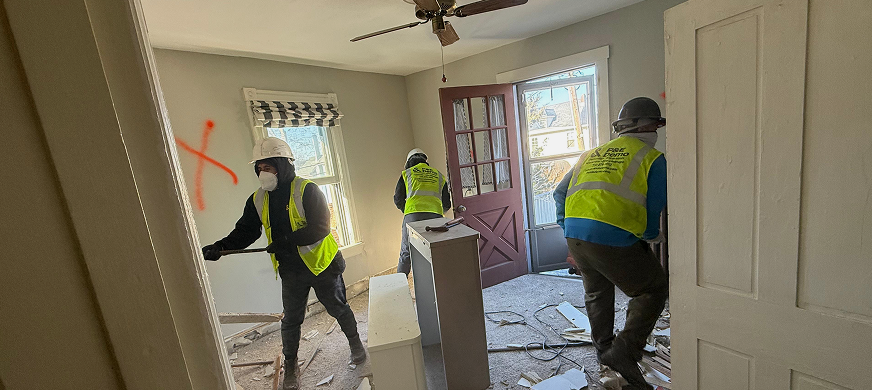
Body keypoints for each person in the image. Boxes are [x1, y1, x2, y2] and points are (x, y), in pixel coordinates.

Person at [201, 137, 366, 390]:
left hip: (322, 265)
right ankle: (290, 366)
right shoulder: (258, 199)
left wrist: (287, 241)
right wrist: (221, 247)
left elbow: (321, 227)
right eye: (259, 168)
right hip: (291, 270)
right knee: (291, 320)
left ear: (283, 165)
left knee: (338, 308)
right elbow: (245, 231)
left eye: (268, 167)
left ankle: (356, 345)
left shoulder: (307, 190)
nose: (263, 173)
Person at [553, 97, 668, 390]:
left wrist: (567, 227)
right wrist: (650, 234)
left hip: (575, 235)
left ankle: (605, 351)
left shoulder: (590, 154)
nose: (657, 131)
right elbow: (654, 206)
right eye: (656, 125)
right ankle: (624, 352)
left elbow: (559, 193)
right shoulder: (653, 158)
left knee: (597, 293)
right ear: (647, 126)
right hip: (612, 238)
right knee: (653, 288)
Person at [394, 148, 451, 275]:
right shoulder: (438, 175)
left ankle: (400, 284)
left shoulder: (407, 174)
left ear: (408, 161)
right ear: (425, 160)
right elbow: (447, 203)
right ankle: (442, 280)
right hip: (436, 218)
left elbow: (398, 199)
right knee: (436, 251)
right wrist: (437, 213)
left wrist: (408, 211)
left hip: (413, 217)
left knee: (406, 253)